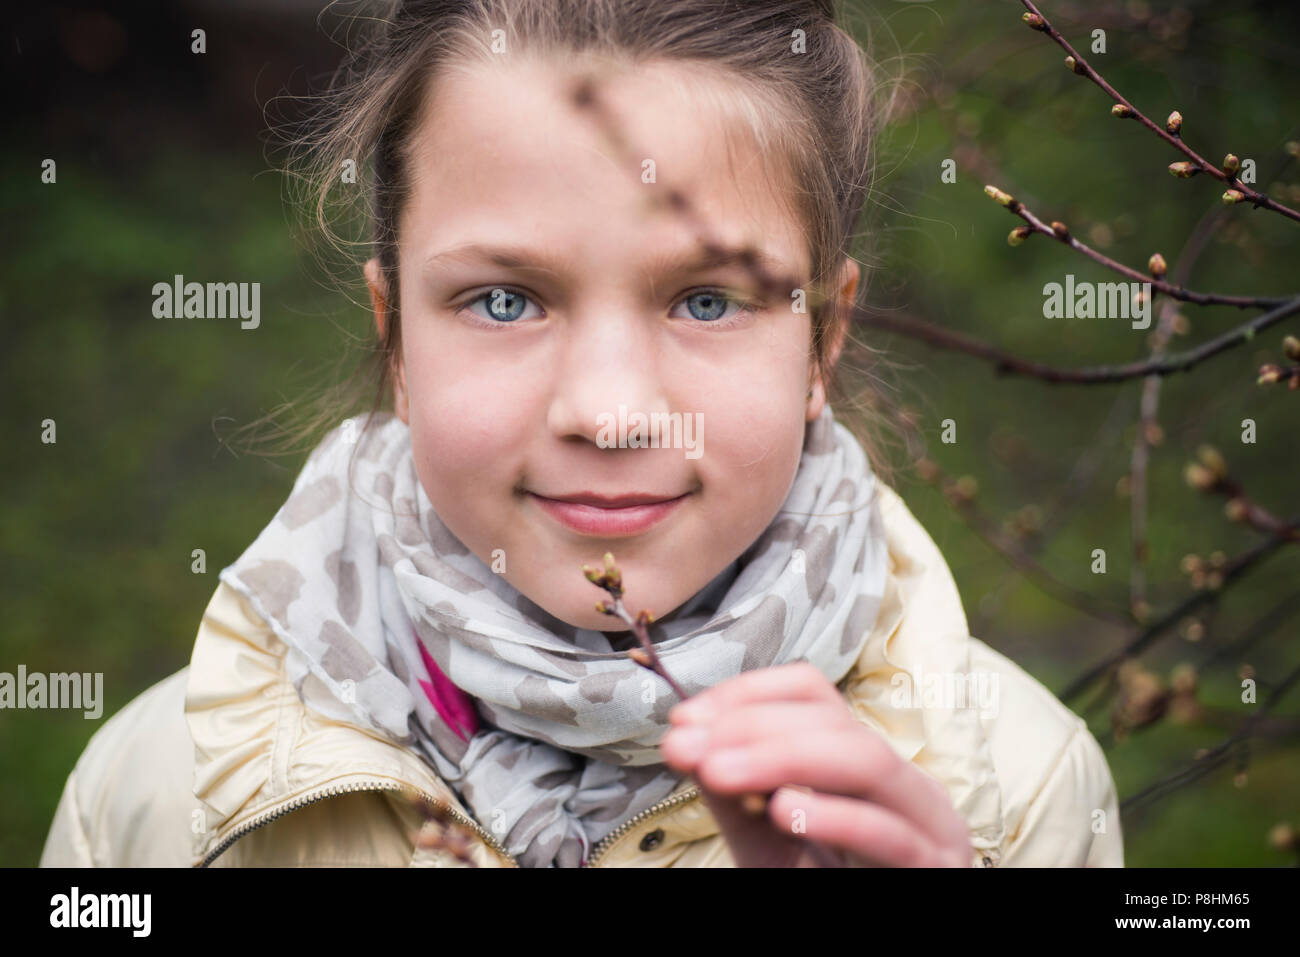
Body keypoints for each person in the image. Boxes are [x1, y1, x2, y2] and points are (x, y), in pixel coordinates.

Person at [39, 0, 1121, 868]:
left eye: (705, 301)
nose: (608, 414)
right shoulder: (153, 795)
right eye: (505, 301)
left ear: (822, 340)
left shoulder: (1016, 799)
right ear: (397, 341)